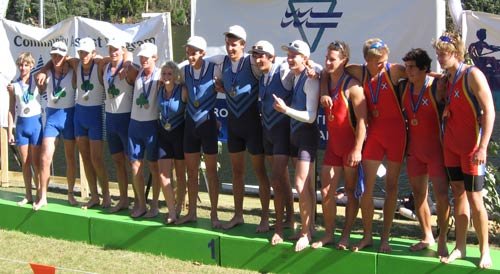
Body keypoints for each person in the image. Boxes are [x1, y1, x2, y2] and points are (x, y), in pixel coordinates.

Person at [337, 38, 407, 253]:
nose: (380, 65)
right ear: (366, 60)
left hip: (397, 135)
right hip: (375, 134)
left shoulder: (394, 70)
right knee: (365, 188)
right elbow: (340, 68)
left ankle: (385, 237)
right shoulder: (359, 71)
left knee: (392, 186)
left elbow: (419, 74)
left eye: (383, 61)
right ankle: (367, 236)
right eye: (376, 62)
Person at [433, 32, 494, 269]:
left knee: (475, 198)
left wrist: (483, 147)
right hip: (451, 146)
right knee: (457, 193)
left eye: (443, 54)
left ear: (456, 53)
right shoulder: (447, 79)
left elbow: (489, 111)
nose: (439, 57)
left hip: (471, 148)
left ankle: (484, 250)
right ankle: (459, 246)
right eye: (437, 53)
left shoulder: (472, 75)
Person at [213, 25, 272, 231]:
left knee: (260, 173)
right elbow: (218, 80)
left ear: (243, 45)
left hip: (252, 126)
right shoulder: (223, 63)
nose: (230, 48)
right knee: (236, 172)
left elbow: (274, 66)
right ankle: (238, 215)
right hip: (234, 127)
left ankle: (265, 219)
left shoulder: (253, 63)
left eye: (234, 44)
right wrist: (218, 84)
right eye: (228, 44)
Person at [312, 41, 367, 250]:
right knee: (326, 191)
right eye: (326, 58)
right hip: (333, 148)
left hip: (350, 148)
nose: (327, 62)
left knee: (352, 191)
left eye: (332, 59)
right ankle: (328, 233)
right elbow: (322, 73)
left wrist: (357, 149)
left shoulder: (353, 87)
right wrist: (324, 89)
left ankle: (345, 235)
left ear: (344, 61)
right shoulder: (325, 79)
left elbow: (363, 120)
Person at [400, 48, 450, 257]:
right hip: (415, 152)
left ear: (424, 69)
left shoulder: (435, 88)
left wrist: (434, 75)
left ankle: (443, 240)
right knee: (419, 195)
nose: (408, 71)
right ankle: (427, 235)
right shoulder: (404, 87)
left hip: (435, 152)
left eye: (412, 67)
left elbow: (449, 77)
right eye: (407, 67)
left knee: (441, 196)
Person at [274, 40, 320, 252]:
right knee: (305, 187)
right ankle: (308, 229)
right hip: (294, 135)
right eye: (289, 54)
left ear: (305, 59)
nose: (290, 58)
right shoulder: (296, 76)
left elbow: (311, 117)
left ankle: (305, 234)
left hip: (306, 136)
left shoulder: (311, 79)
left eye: (294, 55)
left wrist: (286, 110)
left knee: (301, 185)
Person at [248, 40, 296, 239]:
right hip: (267, 134)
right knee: (282, 179)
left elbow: (305, 67)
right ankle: (290, 219)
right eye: (255, 56)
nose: (258, 59)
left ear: (272, 57)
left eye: (262, 56)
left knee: (276, 179)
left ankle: (278, 229)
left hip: (282, 134)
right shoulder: (262, 77)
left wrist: (312, 70)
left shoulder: (283, 72)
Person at [176, 36, 221, 228]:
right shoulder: (183, 70)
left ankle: (214, 214)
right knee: (191, 172)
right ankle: (192, 212)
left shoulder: (214, 69)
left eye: (194, 52)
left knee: (211, 172)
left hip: (208, 125)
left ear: (203, 53)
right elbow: (166, 74)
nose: (190, 56)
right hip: (190, 125)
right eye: (188, 52)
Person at [35, 41, 78, 210]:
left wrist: (67, 60)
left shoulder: (73, 70)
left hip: (69, 116)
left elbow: (78, 63)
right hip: (52, 117)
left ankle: (70, 194)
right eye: (53, 55)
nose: (56, 58)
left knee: (70, 158)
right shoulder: (47, 71)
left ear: (65, 55)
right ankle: (43, 196)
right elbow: (41, 91)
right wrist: (42, 77)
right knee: (45, 158)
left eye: (60, 55)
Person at [100, 37, 138, 213]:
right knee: (117, 162)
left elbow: (138, 72)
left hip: (126, 119)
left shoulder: (129, 68)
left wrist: (128, 61)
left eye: (116, 49)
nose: (113, 52)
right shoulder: (106, 67)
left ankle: (138, 201)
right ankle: (123, 199)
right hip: (110, 119)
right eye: (111, 49)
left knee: (133, 162)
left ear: (123, 50)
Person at [73, 37, 111, 209]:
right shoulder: (75, 64)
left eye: (87, 53)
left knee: (97, 159)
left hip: (95, 115)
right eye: (81, 52)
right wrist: (44, 69)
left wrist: (100, 58)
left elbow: (122, 56)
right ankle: (94, 196)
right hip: (80, 115)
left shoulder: (100, 66)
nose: (83, 56)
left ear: (93, 53)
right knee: (85, 158)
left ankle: (107, 195)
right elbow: (58, 61)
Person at [128, 42, 161, 218]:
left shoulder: (161, 75)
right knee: (135, 166)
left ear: (155, 57)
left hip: (151, 125)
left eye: (146, 57)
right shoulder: (137, 71)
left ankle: (155, 205)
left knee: (154, 167)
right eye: (141, 57)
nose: (143, 60)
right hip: (134, 125)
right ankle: (141, 203)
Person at [7, 52, 43, 206]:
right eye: (21, 65)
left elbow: (46, 81)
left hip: (35, 124)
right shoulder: (14, 85)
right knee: (25, 162)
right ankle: (28, 195)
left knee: (36, 162)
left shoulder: (37, 81)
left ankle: (40, 195)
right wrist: (10, 131)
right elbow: (11, 110)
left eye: (26, 65)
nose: (23, 68)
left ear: (31, 66)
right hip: (21, 126)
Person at [157, 61, 187, 224]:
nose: (166, 77)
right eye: (164, 74)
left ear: (175, 75)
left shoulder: (182, 91)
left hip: (179, 135)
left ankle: (178, 206)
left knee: (181, 175)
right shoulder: (159, 90)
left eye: (169, 74)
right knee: (163, 176)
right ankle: (171, 210)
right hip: (163, 134)